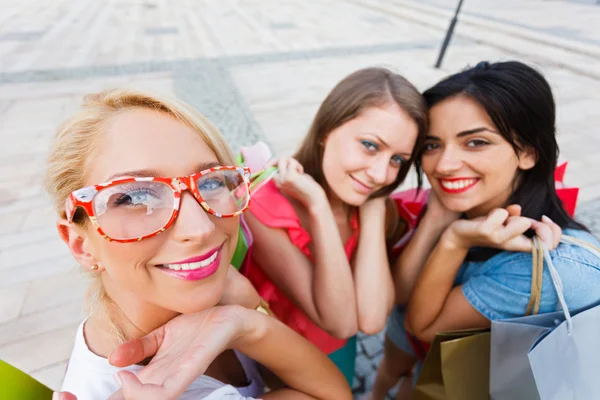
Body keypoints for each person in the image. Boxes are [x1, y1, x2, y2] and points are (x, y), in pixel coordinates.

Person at [46, 89, 351, 399]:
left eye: (210, 182)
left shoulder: (209, 298)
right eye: (135, 197)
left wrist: (245, 321)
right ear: (81, 243)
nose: (201, 228)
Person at [371, 60, 600, 399]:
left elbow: (421, 327)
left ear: (527, 152)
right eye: (432, 145)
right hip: (434, 356)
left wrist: (453, 240)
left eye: (476, 142)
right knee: (390, 374)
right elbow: (401, 298)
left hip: (472, 375)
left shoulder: (543, 269)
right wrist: (437, 218)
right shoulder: (462, 202)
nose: (444, 165)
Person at [243, 67, 428, 383]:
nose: (382, 174)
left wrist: (372, 211)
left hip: (340, 352)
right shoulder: (263, 206)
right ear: (327, 129)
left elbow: (369, 320)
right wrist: (318, 207)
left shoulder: (369, 204)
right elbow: (340, 322)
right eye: (370, 145)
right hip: (277, 361)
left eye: (397, 160)